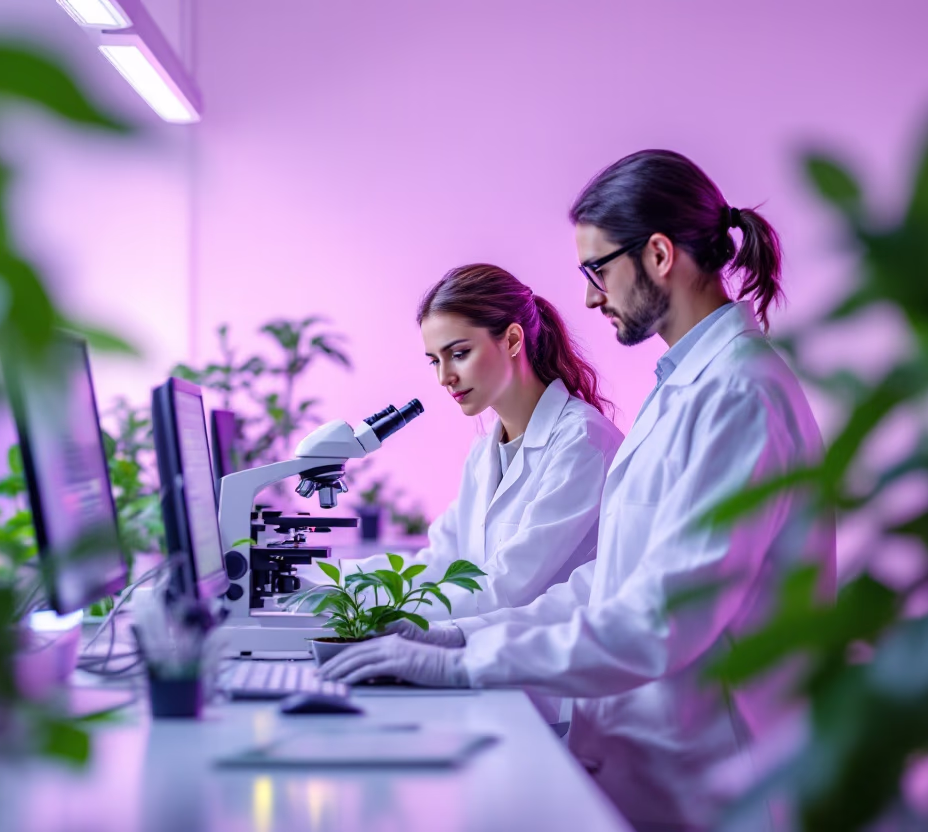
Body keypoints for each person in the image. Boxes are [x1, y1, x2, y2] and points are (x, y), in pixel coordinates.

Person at [320, 151, 835, 832]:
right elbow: (606, 585)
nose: (590, 298)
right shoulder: (682, 386)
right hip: (644, 757)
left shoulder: (737, 394)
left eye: (598, 271)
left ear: (657, 255)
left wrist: (466, 664)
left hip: (711, 774)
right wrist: (449, 637)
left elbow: (660, 620)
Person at [302, 264, 623, 621]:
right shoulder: (484, 451)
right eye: (435, 361)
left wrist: (383, 615)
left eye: (459, 353)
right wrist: (320, 580)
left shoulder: (582, 441)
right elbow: (442, 562)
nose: (444, 377)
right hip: (491, 649)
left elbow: (507, 587)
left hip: (544, 657)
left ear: (514, 340)